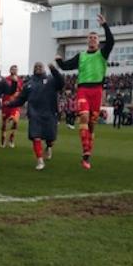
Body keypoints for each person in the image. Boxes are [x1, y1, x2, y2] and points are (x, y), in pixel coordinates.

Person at [55, 14, 115, 169]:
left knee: (92, 125)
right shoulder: (81, 56)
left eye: (95, 38)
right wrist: (59, 60)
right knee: (83, 117)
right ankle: (86, 152)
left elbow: (111, 41)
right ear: (87, 41)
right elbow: (65, 66)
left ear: (98, 41)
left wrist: (105, 25)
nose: (93, 40)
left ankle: (87, 155)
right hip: (83, 89)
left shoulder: (102, 53)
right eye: (90, 37)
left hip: (97, 91)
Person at [4, 62, 65, 170]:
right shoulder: (28, 83)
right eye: (35, 67)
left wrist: (54, 70)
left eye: (40, 66)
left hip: (49, 113)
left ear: (44, 68)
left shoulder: (51, 80)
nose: (37, 68)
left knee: (50, 139)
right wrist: (10, 103)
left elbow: (61, 83)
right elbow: (21, 99)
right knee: (35, 137)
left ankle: (49, 146)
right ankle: (40, 160)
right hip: (34, 114)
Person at [0, 65, 23, 148]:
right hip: (6, 104)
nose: (14, 70)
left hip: (15, 104)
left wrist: (18, 95)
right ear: (10, 70)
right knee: (4, 124)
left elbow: (21, 91)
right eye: (12, 69)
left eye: (16, 69)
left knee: (15, 122)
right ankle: (3, 139)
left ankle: (11, 139)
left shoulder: (20, 80)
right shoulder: (5, 80)